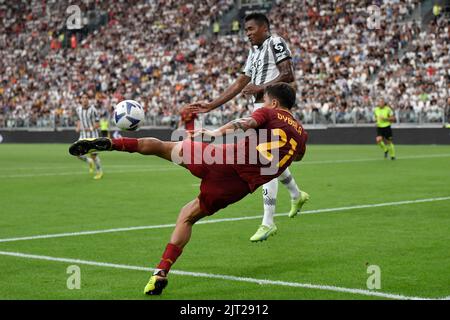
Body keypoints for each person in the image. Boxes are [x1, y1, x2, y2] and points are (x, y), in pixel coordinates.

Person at [68, 83, 308, 295]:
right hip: (236, 187)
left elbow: (245, 123)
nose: (263, 103)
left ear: (274, 102)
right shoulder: (301, 135)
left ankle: (112, 143)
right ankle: (159, 273)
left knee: (162, 147)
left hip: (220, 158)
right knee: (187, 216)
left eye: (265, 99)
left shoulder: (268, 111)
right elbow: (295, 159)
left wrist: (216, 133)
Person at [187, 13, 309, 242]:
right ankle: (296, 194)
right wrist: (211, 105)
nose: (248, 34)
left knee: (266, 161)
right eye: (246, 30)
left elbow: (288, 74)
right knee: (271, 160)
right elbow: (241, 82)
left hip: (273, 108)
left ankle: (268, 222)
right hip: (259, 108)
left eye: (251, 29)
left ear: (264, 27)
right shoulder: (253, 52)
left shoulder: (276, 42)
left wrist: (261, 87)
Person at [75, 93, 104, 179]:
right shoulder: (78, 109)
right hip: (83, 135)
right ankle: (89, 162)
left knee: (93, 155)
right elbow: (79, 120)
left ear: (88, 99)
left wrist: (90, 128)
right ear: (80, 100)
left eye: (86, 98)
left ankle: (99, 171)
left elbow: (98, 124)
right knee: (77, 153)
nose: (84, 99)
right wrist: (78, 127)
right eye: (83, 98)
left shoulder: (93, 110)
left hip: (92, 135)